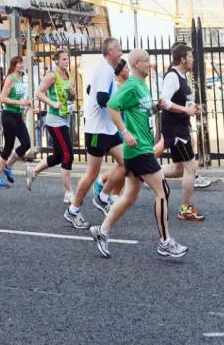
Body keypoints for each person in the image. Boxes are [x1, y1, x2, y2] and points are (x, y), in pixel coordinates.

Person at [88, 50, 188, 259]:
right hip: (139, 149)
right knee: (163, 191)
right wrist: (125, 132)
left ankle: (102, 231)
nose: (149, 64)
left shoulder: (142, 85)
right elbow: (112, 105)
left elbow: (140, 110)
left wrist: (155, 107)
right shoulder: (132, 84)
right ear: (136, 63)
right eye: (146, 61)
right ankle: (165, 242)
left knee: (129, 196)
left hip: (139, 149)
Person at [65, 39, 126, 228]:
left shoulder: (105, 70)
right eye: (119, 50)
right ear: (110, 51)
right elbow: (101, 98)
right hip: (97, 130)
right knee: (92, 174)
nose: (121, 54)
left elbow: (92, 90)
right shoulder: (106, 69)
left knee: (127, 164)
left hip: (108, 128)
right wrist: (121, 105)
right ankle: (73, 210)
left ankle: (102, 196)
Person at [157, 43, 205, 222]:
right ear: (183, 59)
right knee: (191, 167)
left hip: (181, 126)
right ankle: (185, 209)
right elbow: (164, 102)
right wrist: (186, 111)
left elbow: (183, 103)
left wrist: (193, 108)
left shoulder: (183, 77)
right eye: (191, 57)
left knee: (178, 169)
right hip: (175, 129)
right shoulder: (172, 77)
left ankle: (148, 172)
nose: (193, 59)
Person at [30, 49, 79, 202]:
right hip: (54, 120)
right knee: (68, 156)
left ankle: (34, 171)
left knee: (59, 156)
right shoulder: (52, 75)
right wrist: (52, 103)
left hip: (65, 118)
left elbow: (70, 97)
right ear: (57, 61)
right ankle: (68, 192)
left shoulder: (69, 75)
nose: (66, 61)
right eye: (64, 59)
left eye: (67, 59)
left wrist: (73, 94)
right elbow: (38, 93)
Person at [0, 56, 32, 189]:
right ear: (14, 65)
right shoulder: (10, 78)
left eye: (22, 63)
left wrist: (25, 102)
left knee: (26, 143)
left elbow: (18, 97)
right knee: (8, 146)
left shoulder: (20, 78)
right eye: (19, 63)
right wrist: (20, 102)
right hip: (8, 115)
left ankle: (8, 166)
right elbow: (3, 99)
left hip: (17, 115)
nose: (21, 65)